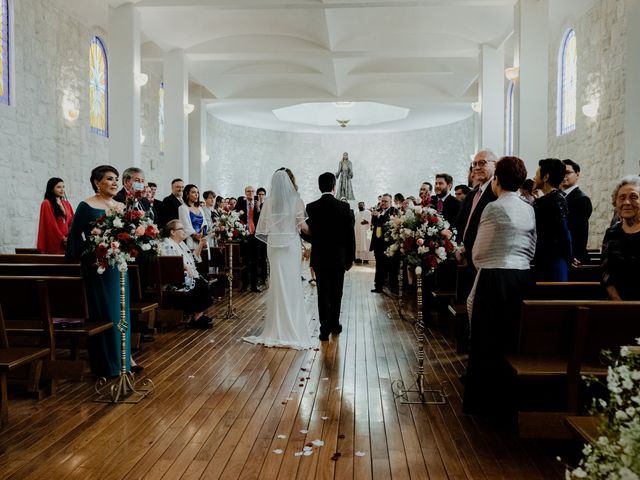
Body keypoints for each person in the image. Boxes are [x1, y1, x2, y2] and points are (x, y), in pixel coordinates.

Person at [463, 156, 536, 417]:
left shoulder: (494, 207)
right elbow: (532, 246)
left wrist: (487, 261)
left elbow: (479, 252)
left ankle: (485, 402)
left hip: (495, 279)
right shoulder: (528, 207)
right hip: (522, 278)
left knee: (488, 340)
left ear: (497, 180)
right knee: (511, 338)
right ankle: (509, 401)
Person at [65, 165, 135, 377]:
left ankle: (124, 361)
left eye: (116, 179)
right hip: (97, 268)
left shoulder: (120, 206)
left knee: (121, 311)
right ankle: (107, 365)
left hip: (118, 266)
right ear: (97, 182)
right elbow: (75, 234)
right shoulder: (86, 206)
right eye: (109, 179)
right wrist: (77, 258)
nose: (114, 183)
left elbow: (127, 235)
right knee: (106, 313)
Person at [242, 168, 315, 349]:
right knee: (291, 284)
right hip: (290, 246)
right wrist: (317, 231)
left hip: (274, 246)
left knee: (276, 283)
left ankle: (276, 327)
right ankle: (291, 327)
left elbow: (264, 228)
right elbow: (303, 227)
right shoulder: (295, 200)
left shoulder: (268, 202)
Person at [305, 172, 355, 341]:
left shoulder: (311, 207)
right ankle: (335, 324)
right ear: (334, 187)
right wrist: (350, 258)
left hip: (320, 257)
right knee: (337, 292)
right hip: (339, 258)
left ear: (319, 187)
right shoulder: (344, 207)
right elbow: (350, 235)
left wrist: (315, 239)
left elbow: (308, 235)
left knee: (323, 293)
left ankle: (324, 329)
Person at [160, 220, 214, 328]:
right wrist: (185, 268)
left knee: (205, 283)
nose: (184, 231)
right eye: (181, 229)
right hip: (175, 279)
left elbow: (192, 259)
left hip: (185, 276)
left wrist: (201, 244)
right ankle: (196, 317)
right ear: (172, 232)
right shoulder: (166, 243)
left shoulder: (181, 244)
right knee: (200, 285)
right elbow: (170, 262)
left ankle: (197, 315)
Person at [454, 150, 498, 269]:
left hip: (486, 259)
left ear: (495, 165)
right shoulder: (472, 195)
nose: (477, 168)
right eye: (475, 164)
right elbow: (461, 223)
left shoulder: (496, 193)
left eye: (482, 163)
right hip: (466, 256)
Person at [533, 158, 573, 281]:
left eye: (537, 174)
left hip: (550, 261)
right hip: (556, 259)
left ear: (546, 177)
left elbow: (564, 231)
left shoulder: (547, 201)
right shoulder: (559, 198)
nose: (534, 178)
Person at [601, 175, 640, 300]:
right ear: (615, 203)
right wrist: (618, 302)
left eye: (633, 197)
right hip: (615, 305)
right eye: (621, 198)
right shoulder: (612, 232)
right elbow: (606, 272)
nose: (627, 202)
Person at [562, 159, 593, 264]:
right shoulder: (559, 197)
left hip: (575, 259)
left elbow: (579, 234)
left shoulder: (582, 199)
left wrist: (574, 257)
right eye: (561, 173)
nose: (563, 176)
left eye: (567, 172)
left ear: (577, 174)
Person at [370, 193, 399, 293]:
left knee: (390, 267)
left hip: (388, 244)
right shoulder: (378, 210)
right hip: (378, 242)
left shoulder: (394, 211)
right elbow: (374, 223)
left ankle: (392, 288)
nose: (383, 203)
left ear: (391, 202)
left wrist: (379, 216)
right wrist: (375, 216)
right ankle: (378, 287)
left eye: (386, 201)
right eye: (382, 201)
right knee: (379, 265)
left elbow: (389, 224)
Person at [37, 177, 74, 254]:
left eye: (63, 187)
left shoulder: (67, 204)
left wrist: (70, 238)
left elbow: (72, 222)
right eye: (58, 187)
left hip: (67, 244)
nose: (62, 189)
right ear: (51, 189)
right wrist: (62, 238)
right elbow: (51, 224)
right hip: (55, 242)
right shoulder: (46, 203)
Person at [235, 186, 261, 292]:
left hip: (256, 235)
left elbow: (262, 220)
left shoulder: (259, 204)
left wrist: (258, 209)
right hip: (244, 235)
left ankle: (254, 285)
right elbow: (235, 217)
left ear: (255, 193)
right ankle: (244, 284)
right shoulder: (241, 204)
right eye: (248, 191)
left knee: (255, 261)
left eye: (252, 191)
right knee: (245, 261)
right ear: (245, 193)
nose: (250, 193)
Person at [178, 184, 207, 251]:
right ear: (187, 194)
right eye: (193, 192)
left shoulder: (200, 208)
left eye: (197, 192)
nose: (196, 195)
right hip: (190, 239)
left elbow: (204, 223)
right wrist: (195, 235)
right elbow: (185, 225)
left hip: (201, 238)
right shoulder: (182, 208)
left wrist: (202, 233)